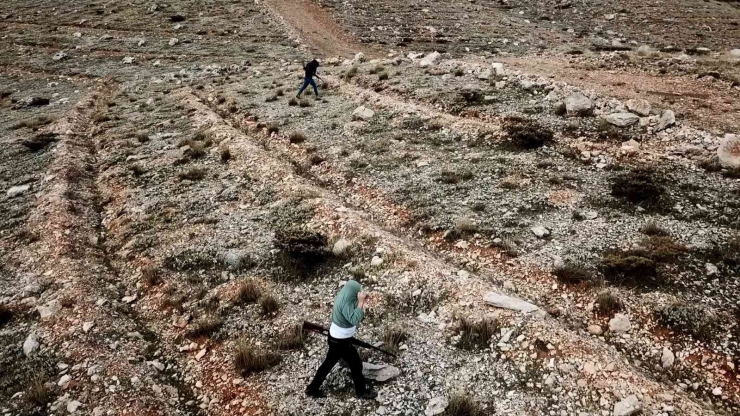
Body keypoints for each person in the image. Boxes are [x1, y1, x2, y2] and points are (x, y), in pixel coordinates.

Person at [305, 280, 377, 400]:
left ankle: (312, 389)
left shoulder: (343, 296)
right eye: (358, 292)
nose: (359, 293)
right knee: (356, 364)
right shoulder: (346, 304)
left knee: (328, 364)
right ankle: (361, 392)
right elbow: (355, 319)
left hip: (335, 337)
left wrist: (360, 300)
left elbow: (350, 308)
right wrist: (360, 302)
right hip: (341, 341)